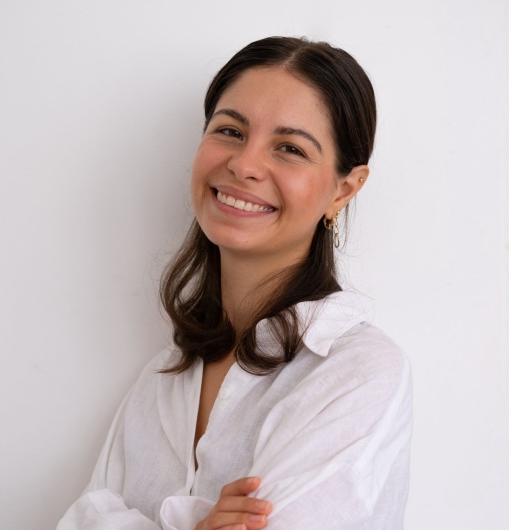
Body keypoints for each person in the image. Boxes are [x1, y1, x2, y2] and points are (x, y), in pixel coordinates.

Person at [57, 36, 412, 530]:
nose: (244, 165)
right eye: (230, 131)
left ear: (343, 189)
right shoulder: (163, 377)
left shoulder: (358, 371)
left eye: (290, 148)